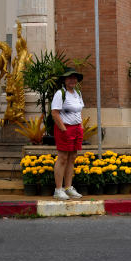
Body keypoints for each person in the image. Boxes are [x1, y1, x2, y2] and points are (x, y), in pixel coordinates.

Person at [51, 68, 84, 200]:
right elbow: (55, 112)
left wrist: (81, 127)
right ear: (64, 80)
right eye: (69, 77)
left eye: (74, 78)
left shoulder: (78, 93)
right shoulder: (60, 93)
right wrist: (63, 129)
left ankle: (68, 187)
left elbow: (79, 111)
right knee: (63, 157)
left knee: (72, 157)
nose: (72, 80)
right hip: (64, 128)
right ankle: (58, 189)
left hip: (76, 129)